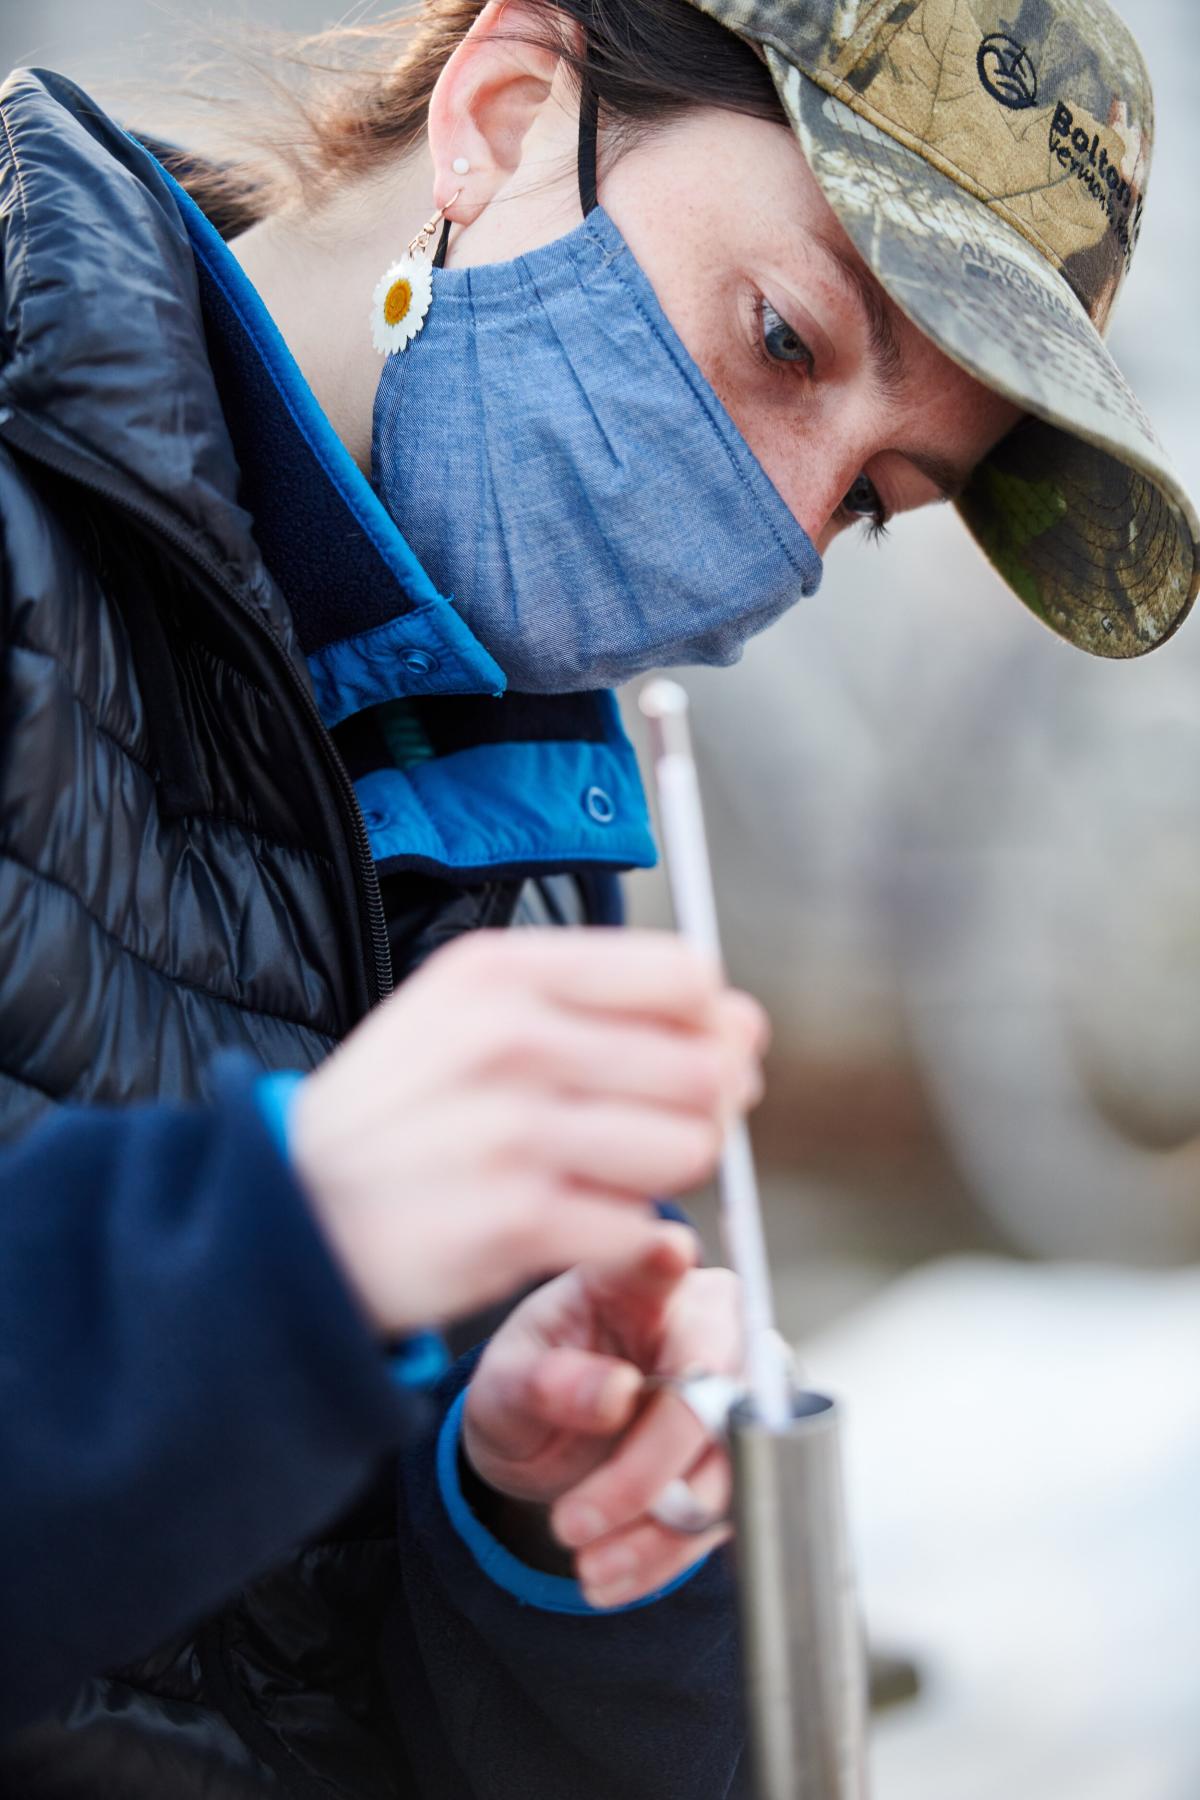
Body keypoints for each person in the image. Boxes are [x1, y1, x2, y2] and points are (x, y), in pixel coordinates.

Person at [0, 0, 1194, 1793]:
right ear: (501, 107)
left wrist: (549, 1541)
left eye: (879, 495)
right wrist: (267, 1250)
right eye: (785, 339)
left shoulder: (539, 850)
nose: (790, 535)